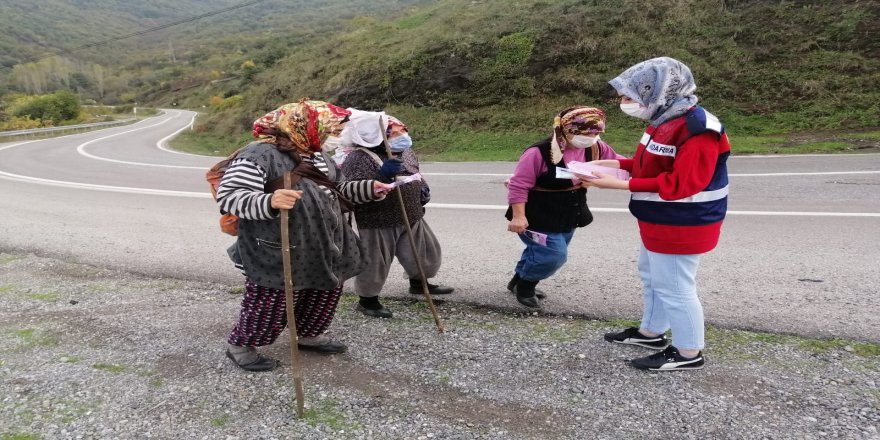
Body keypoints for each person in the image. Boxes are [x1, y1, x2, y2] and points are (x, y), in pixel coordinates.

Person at [216, 99, 392, 371]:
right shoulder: (259, 155)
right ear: (305, 125)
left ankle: (308, 335)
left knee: (324, 292)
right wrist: (270, 201)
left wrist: (370, 188)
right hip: (280, 246)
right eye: (327, 128)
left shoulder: (319, 155)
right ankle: (241, 346)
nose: (333, 135)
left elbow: (339, 190)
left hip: (325, 245)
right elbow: (230, 196)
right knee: (272, 301)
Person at [579, 57, 730, 371]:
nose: (624, 103)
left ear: (659, 91)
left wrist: (621, 184)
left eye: (630, 96)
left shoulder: (699, 128)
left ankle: (689, 353)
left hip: (683, 222)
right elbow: (654, 165)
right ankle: (651, 332)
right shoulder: (663, 120)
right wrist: (617, 165)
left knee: (675, 286)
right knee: (653, 276)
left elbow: (683, 183)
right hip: (658, 218)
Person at [505, 107, 624, 308]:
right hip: (537, 214)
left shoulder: (596, 148)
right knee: (553, 255)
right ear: (564, 130)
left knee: (540, 251)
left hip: (569, 213)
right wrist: (518, 216)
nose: (590, 137)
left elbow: (619, 164)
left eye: (595, 133)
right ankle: (526, 285)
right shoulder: (538, 152)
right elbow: (519, 184)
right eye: (583, 133)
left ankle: (517, 280)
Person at [341, 109, 454, 318]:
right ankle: (368, 300)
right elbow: (348, 191)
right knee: (375, 262)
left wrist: (423, 188)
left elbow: (415, 173)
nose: (402, 136)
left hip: (411, 214)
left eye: (403, 131)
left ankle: (419, 284)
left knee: (424, 253)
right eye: (394, 133)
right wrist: (380, 176)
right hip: (378, 220)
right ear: (376, 136)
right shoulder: (358, 158)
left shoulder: (407, 151)